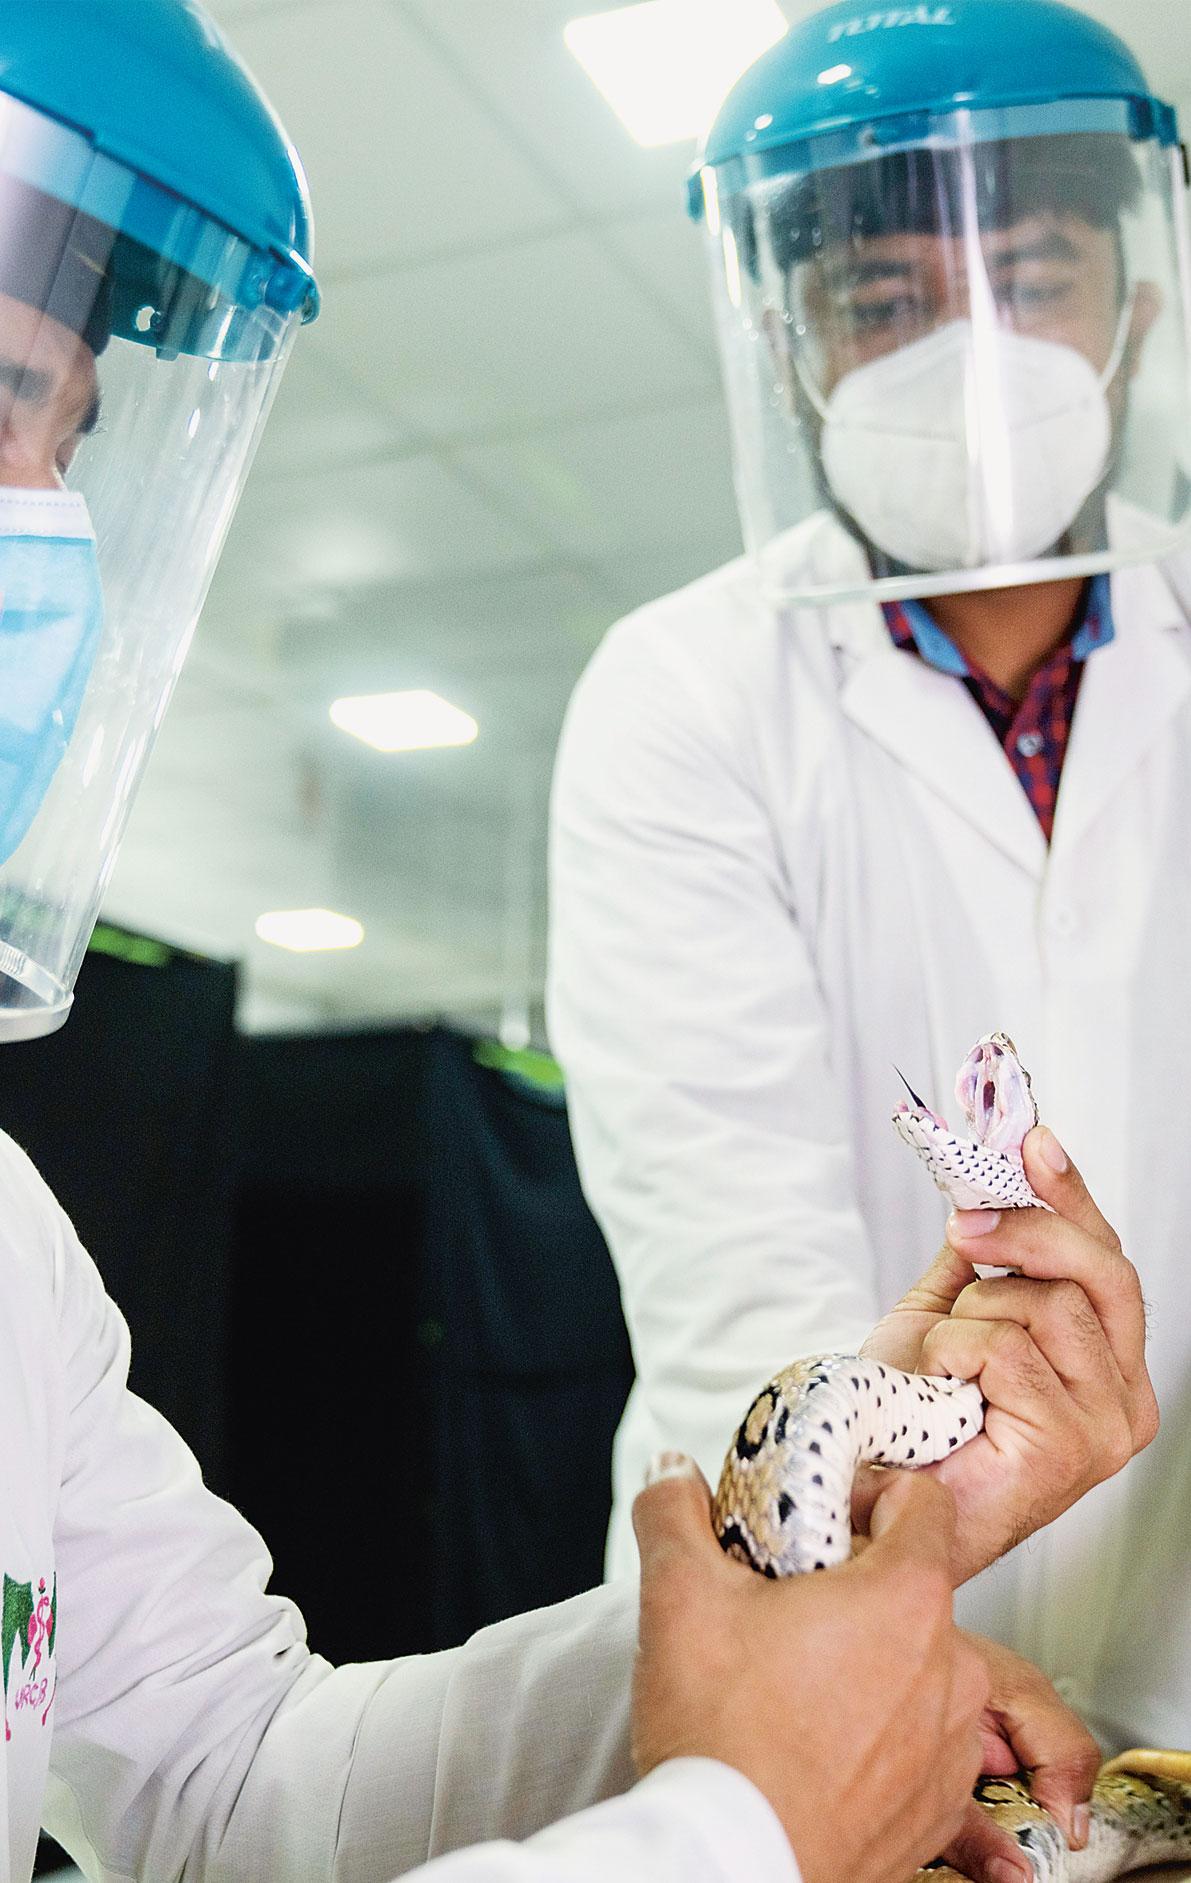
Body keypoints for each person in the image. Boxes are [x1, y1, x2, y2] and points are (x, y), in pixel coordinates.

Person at [0, 6, 1148, 1883]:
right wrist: (746, 1818)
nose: (44, 532)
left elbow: (220, 1787)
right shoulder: (694, 695)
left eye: (65, 436)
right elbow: (725, 1244)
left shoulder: (7, 1241)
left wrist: (806, 1636)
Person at [548, 0, 1185, 1759]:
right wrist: (902, 1658)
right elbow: (725, 1254)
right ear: (795, 344)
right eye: (887, 300)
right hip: (805, 1641)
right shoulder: (682, 691)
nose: (964, 352)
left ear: (1131, 315)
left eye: (1032, 276)